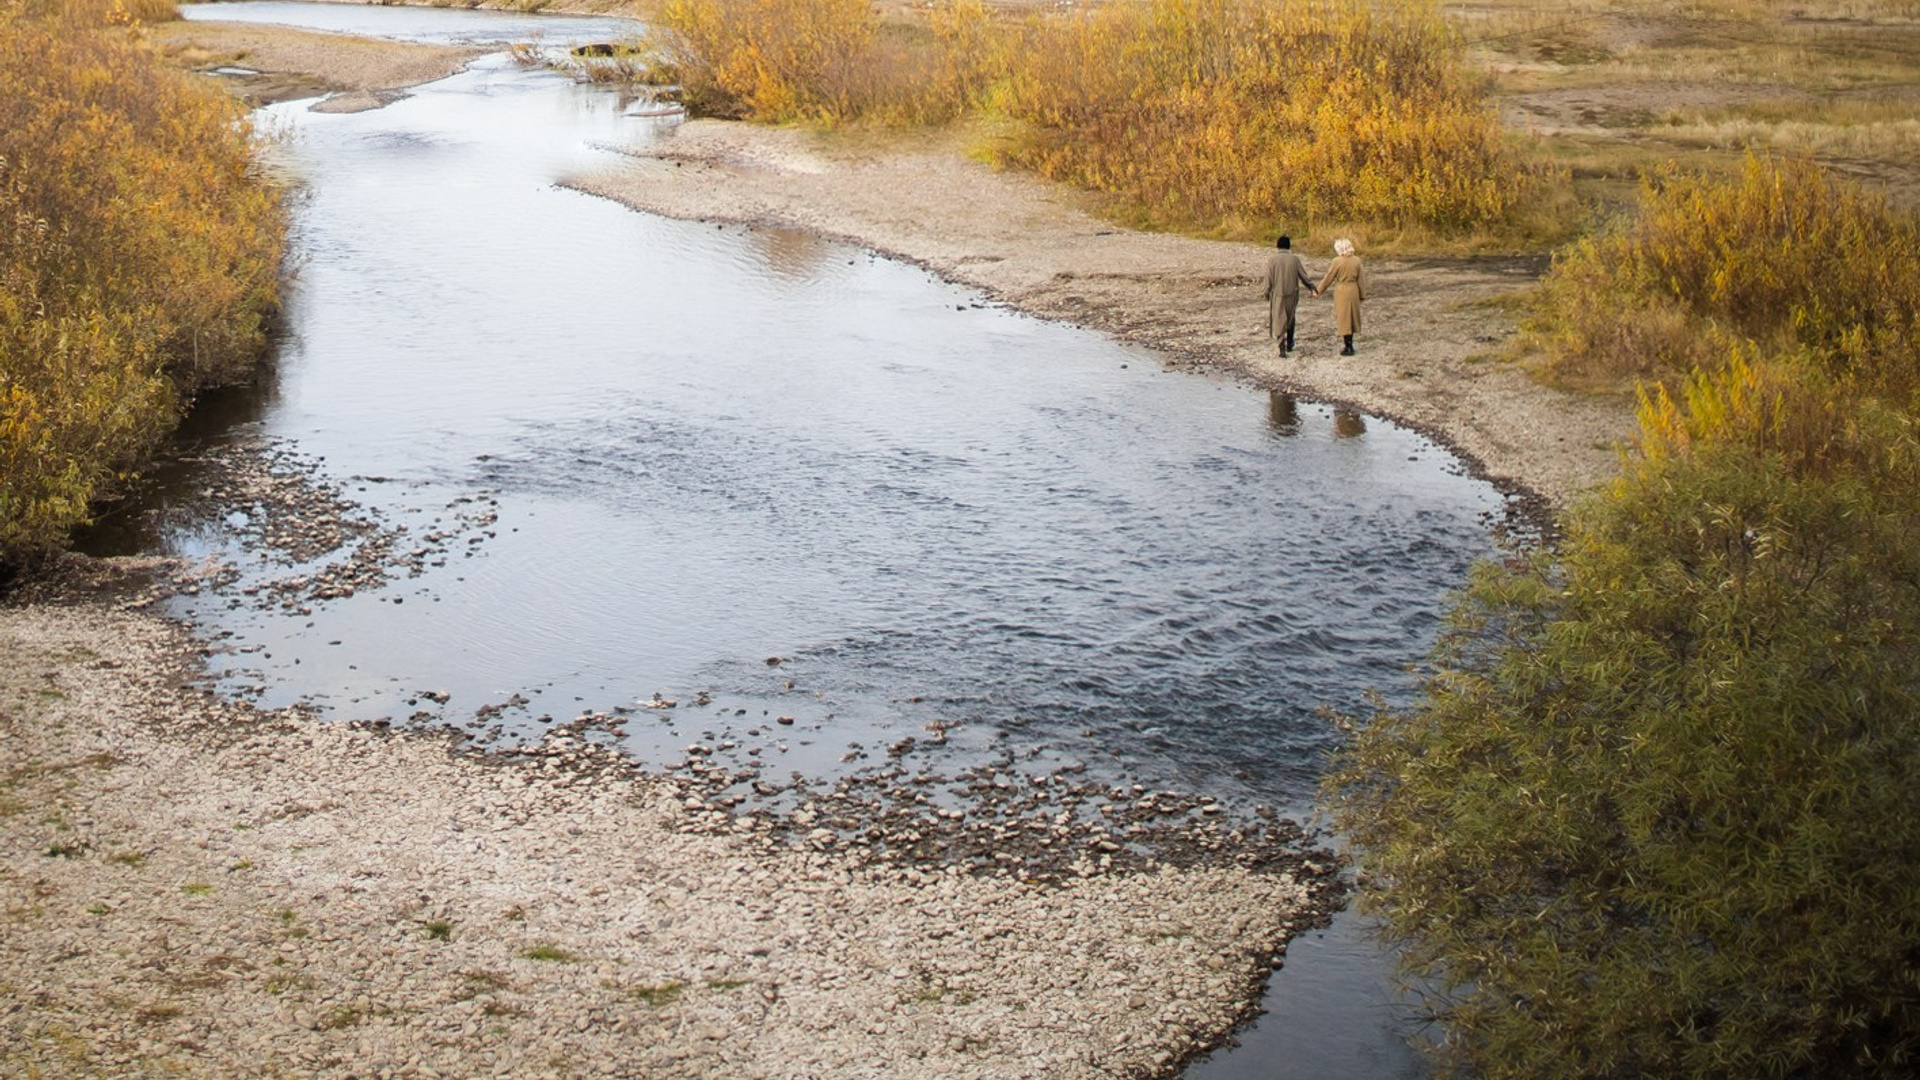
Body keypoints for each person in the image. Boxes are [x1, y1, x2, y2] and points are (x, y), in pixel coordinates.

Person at [1261, 235, 1316, 357]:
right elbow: (1304, 276)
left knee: (1279, 318)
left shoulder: (1272, 260)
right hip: (1292, 293)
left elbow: (1268, 278)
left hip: (1277, 294)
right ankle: (1290, 342)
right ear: (1289, 246)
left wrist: (1266, 292)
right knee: (1291, 317)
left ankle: (1282, 347)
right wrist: (1312, 287)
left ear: (1278, 245)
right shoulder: (1294, 259)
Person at [1317, 237, 1366, 356]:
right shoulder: (1357, 261)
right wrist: (1362, 294)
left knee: (1344, 317)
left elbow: (1329, 277)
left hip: (1342, 290)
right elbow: (1361, 279)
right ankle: (1350, 344)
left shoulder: (1337, 261)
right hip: (1353, 289)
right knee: (1352, 316)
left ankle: (1348, 346)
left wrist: (1319, 290)